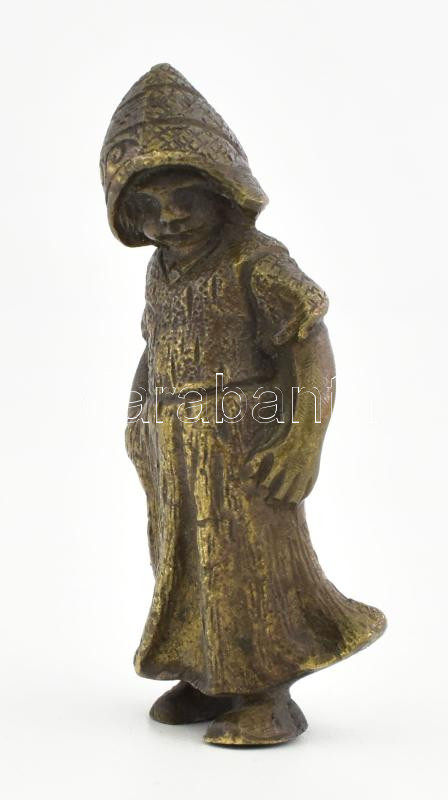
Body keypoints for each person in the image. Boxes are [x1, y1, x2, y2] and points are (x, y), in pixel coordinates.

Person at [100, 63, 386, 746]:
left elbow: (308, 343)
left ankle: (265, 695)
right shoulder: (160, 271)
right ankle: (207, 672)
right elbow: (154, 348)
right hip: (173, 447)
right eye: (149, 206)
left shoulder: (255, 261)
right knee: (182, 563)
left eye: (184, 199)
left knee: (247, 563)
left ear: (222, 190)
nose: (168, 218)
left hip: (242, 446)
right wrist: (139, 423)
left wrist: (303, 439)